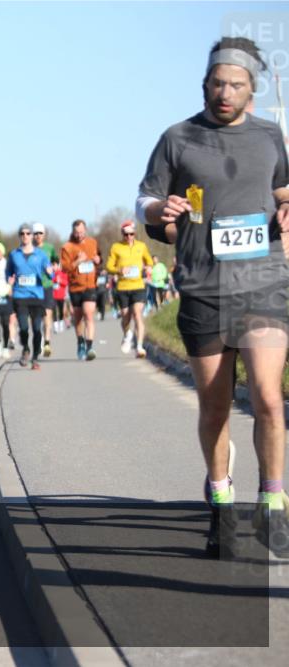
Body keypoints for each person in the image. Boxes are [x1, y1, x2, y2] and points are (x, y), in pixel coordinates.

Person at [135, 36, 289, 558]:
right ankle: (221, 499)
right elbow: (145, 199)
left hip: (265, 283)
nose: (226, 92)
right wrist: (162, 211)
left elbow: (283, 190)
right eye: (218, 83)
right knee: (215, 407)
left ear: (253, 90)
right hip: (203, 286)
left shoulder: (271, 137)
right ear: (205, 84)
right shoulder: (177, 138)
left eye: (237, 85)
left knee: (268, 396)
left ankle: (273, 502)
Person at [7, 223, 52, 370]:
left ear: (32, 236)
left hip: (37, 296)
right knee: (24, 327)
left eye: (28, 233)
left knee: (37, 328)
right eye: (22, 233)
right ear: (19, 236)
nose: (25, 236)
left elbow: (50, 272)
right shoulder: (14, 254)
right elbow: (8, 272)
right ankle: (26, 348)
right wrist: (10, 280)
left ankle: (35, 358)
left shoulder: (41, 254)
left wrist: (50, 271)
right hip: (20, 296)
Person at [106, 220, 153, 357]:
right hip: (123, 287)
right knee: (125, 317)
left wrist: (149, 267)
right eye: (126, 235)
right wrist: (120, 270)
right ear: (122, 234)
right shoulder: (116, 247)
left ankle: (139, 346)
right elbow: (109, 266)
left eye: (131, 234)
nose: (129, 237)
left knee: (137, 314)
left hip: (138, 286)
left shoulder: (141, 246)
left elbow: (149, 261)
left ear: (135, 234)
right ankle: (127, 334)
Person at [60, 219, 101, 360]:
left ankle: (90, 347)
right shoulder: (67, 247)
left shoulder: (93, 242)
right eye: (77, 232)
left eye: (82, 232)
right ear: (73, 232)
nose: (79, 235)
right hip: (75, 287)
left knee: (88, 314)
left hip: (90, 285)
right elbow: (64, 268)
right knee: (78, 318)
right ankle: (80, 342)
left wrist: (97, 261)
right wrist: (78, 261)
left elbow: (99, 259)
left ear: (86, 230)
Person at [32, 223, 57, 357]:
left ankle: (47, 342)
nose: (38, 236)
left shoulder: (50, 248)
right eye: (35, 233)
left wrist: (54, 267)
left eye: (40, 233)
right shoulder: (28, 249)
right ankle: (39, 340)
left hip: (47, 285)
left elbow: (55, 261)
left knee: (47, 316)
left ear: (44, 235)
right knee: (36, 317)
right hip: (33, 287)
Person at [51, 258, 69, 332]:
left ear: (58, 265)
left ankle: (61, 324)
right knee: (54, 311)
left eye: (54, 265)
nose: (53, 267)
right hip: (53, 295)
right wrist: (53, 280)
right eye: (52, 265)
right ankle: (55, 326)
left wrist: (60, 281)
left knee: (61, 310)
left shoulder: (62, 273)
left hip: (61, 295)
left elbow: (66, 283)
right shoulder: (51, 274)